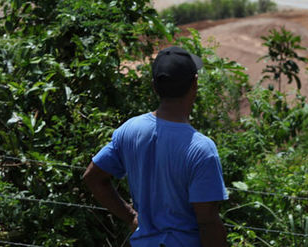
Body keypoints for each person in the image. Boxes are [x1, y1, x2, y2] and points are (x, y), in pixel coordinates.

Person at [84, 46, 228, 247]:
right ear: (195, 84)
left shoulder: (129, 130)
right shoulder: (201, 149)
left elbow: (93, 177)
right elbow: (208, 222)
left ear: (154, 86)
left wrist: (131, 217)